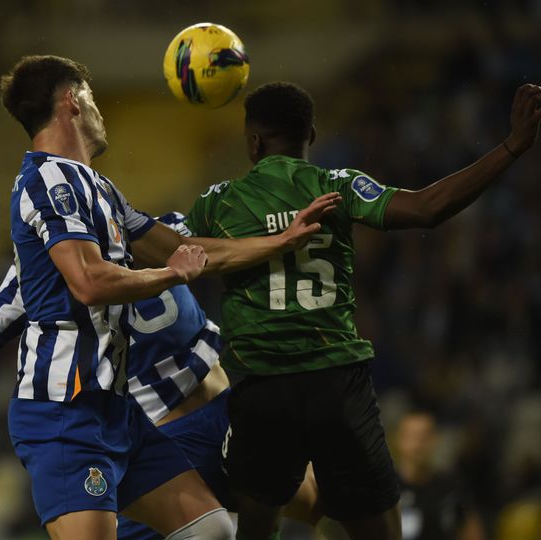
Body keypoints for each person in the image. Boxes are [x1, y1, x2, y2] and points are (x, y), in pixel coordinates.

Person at [0, 55, 338, 539]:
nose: (100, 113)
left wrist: (279, 240)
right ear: (73, 100)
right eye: (93, 99)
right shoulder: (45, 182)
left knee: (211, 531)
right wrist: (171, 276)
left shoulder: (101, 196)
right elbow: (91, 282)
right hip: (62, 417)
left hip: (116, 414)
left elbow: (185, 249)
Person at [0, 216, 324, 540]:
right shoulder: (31, 286)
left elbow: (217, 253)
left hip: (220, 407)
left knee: (312, 505)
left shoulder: (143, 228)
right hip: (164, 438)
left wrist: (280, 237)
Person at [184, 81, 541, 540]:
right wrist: (511, 147)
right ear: (311, 136)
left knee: (255, 527)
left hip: (262, 386)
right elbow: (428, 208)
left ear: (253, 141)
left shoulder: (218, 202)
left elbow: (173, 253)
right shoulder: (340, 186)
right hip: (336, 384)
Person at [394, 411, 485, 540]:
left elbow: (472, 531)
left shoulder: (451, 487)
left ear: (435, 440)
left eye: (424, 437)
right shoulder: (386, 490)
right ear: (399, 439)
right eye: (413, 436)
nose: (419, 444)